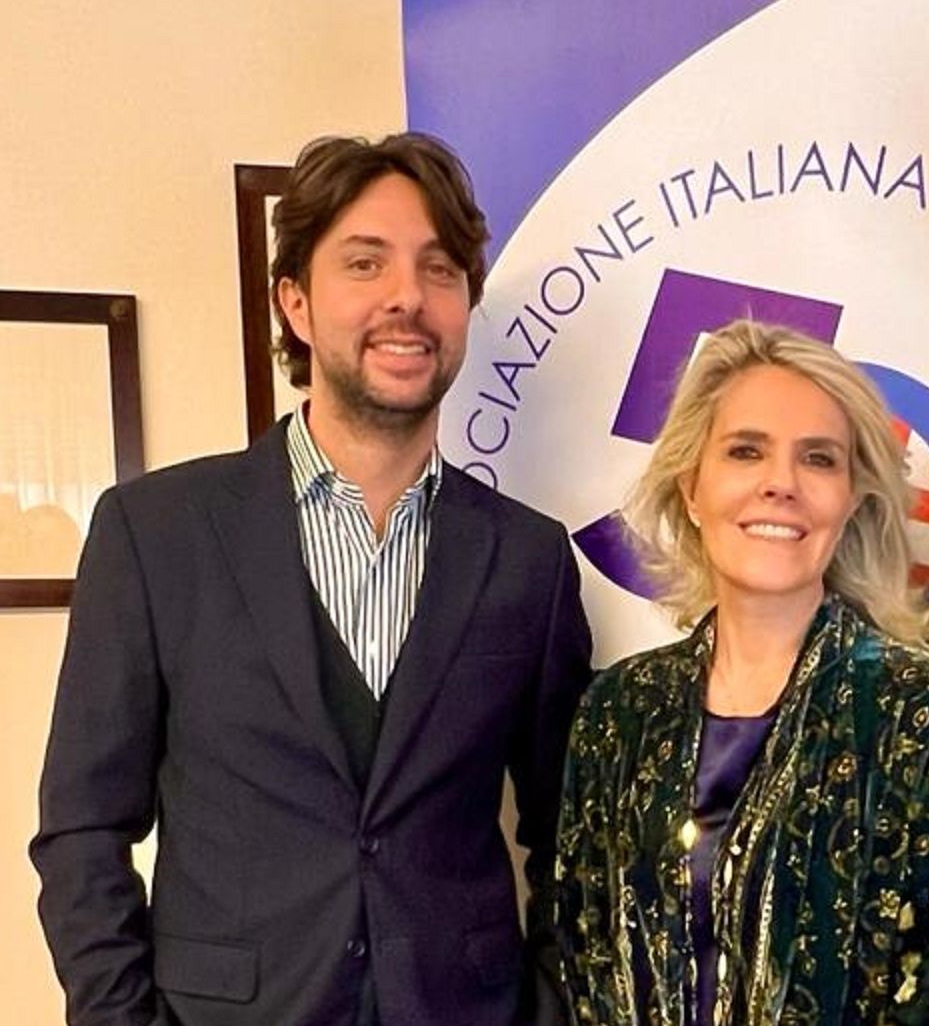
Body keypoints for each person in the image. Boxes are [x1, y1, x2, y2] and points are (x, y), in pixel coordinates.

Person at [32, 133, 592, 1025]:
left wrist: (550, 1007)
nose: (407, 296)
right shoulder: (156, 534)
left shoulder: (528, 560)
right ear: (294, 301)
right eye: (365, 263)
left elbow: (577, 837)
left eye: (440, 269)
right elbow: (83, 831)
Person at [543, 320, 929, 1025]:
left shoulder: (921, 711)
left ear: (852, 498)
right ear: (692, 487)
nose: (781, 484)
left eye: (818, 459)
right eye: (746, 451)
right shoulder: (619, 713)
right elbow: (582, 961)